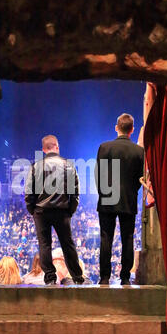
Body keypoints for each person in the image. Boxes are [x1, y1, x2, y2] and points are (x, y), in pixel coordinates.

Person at [25, 135, 85, 286]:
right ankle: (77, 277)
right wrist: (70, 210)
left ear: (44, 149)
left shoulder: (36, 166)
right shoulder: (68, 165)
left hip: (41, 211)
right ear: (57, 147)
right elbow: (75, 191)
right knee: (67, 244)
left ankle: (50, 277)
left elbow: (28, 192)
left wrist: (32, 209)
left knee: (45, 244)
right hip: (62, 211)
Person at [95, 113, 144, 285]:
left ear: (116, 127)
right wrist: (131, 191)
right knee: (128, 237)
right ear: (132, 130)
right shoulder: (139, 151)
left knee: (106, 237)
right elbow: (141, 178)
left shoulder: (104, 147)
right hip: (128, 199)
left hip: (108, 197)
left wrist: (104, 192)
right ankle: (124, 277)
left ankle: (104, 277)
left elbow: (98, 175)